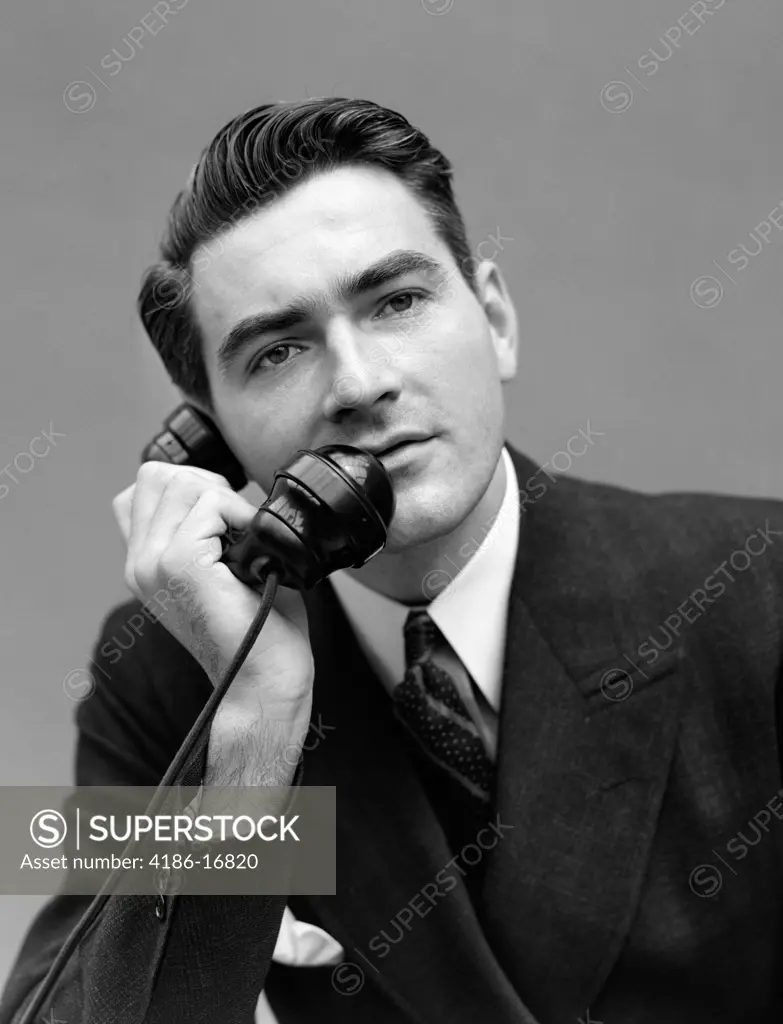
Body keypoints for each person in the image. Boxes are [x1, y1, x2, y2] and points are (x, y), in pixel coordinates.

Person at [2, 96, 783, 1024]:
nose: (361, 384)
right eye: (278, 350)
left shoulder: (756, 591)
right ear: (209, 441)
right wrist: (252, 740)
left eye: (397, 301)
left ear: (494, 319)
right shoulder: (162, 673)